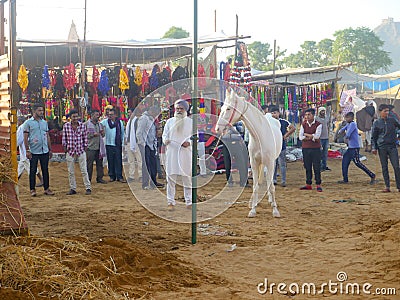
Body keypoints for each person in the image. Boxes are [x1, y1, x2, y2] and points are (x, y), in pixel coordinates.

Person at [162, 100, 193, 208]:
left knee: (187, 178)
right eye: (177, 108)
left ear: (186, 110)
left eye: (181, 109)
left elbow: (196, 138)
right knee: (170, 178)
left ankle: (189, 201)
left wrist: (189, 143)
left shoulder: (191, 122)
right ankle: (170, 201)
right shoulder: (169, 122)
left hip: (185, 153)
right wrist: (165, 140)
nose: (179, 110)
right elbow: (164, 135)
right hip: (172, 152)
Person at [23, 103, 54, 196]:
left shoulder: (44, 122)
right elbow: (25, 137)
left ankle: (46, 188)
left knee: (45, 169)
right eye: (39, 110)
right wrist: (27, 150)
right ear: (34, 111)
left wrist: (50, 149)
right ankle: (32, 189)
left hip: (44, 149)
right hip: (33, 150)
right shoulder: (28, 123)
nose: (41, 112)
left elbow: (47, 135)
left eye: (42, 110)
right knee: (32, 170)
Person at [337, 112, 377, 184]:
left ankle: (372, 175)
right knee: (345, 162)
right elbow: (342, 129)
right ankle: (345, 179)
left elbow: (348, 134)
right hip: (350, 148)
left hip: (354, 147)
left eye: (347, 118)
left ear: (351, 118)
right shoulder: (349, 124)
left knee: (357, 163)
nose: (346, 119)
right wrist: (340, 132)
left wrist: (344, 137)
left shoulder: (352, 124)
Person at [371, 103, 400, 192]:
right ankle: (387, 186)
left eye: (388, 111)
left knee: (396, 166)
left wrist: (398, 135)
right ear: (380, 112)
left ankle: (399, 186)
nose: (387, 113)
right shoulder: (377, 123)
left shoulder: (392, 120)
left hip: (392, 146)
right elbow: (374, 137)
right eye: (385, 111)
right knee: (384, 167)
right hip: (382, 147)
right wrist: (374, 147)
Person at [62, 109, 92, 195]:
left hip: (80, 150)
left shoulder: (82, 126)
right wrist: (65, 148)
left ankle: (88, 187)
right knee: (70, 171)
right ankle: (72, 188)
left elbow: (85, 137)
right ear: (70, 117)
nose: (75, 118)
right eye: (73, 116)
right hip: (70, 150)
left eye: (76, 116)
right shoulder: (66, 126)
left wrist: (85, 147)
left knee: (84, 170)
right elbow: (64, 138)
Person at [137, 106, 164, 190]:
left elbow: (153, 133)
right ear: (151, 111)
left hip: (151, 145)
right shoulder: (144, 118)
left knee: (153, 164)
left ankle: (153, 182)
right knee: (146, 165)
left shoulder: (151, 119)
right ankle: (145, 184)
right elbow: (139, 133)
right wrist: (142, 144)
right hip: (145, 145)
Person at [269, 106, 295, 187]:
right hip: (272, 146)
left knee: (282, 164)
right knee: (273, 164)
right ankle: (274, 180)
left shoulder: (283, 122)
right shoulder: (269, 122)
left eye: (275, 113)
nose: (273, 115)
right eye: (272, 113)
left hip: (282, 146)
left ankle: (283, 180)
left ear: (278, 113)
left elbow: (293, 128)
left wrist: (286, 135)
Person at [299, 108, 323, 192]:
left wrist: (306, 135)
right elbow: (300, 137)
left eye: (309, 115)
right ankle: (308, 183)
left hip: (315, 148)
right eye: (306, 115)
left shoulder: (318, 124)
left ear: (313, 115)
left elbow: (317, 136)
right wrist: (311, 136)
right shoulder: (303, 124)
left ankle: (318, 184)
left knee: (317, 167)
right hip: (306, 148)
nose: (307, 116)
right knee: (307, 166)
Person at [101, 108, 126, 183]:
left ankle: (119, 176)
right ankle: (112, 176)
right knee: (110, 160)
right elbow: (99, 125)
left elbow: (122, 133)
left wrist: (122, 143)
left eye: (111, 114)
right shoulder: (105, 122)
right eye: (109, 115)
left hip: (117, 144)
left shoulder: (120, 122)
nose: (110, 116)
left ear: (115, 115)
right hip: (109, 144)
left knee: (118, 160)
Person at [17, 116, 43, 186]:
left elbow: (19, 140)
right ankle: (14, 181)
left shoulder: (21, 128)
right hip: (28, 150)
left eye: (18, 121)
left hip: (25, 151)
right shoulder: (28, 126)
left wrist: (14, 146)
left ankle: (41, 180)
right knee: (20, 168)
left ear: (20, 121)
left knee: (31, 168)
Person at [85, 109, 107, 184]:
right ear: (92, 115)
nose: (98, 117)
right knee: (89, 164)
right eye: (96, 115)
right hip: (90, 147)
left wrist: (103, 133)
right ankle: (88, 179)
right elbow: (84, 135)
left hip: (99, 147)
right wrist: (92, 134)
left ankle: (100, 178)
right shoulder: (86, 124)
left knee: (99, 164)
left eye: (98, 115)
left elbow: (103, 135)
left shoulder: (100, 125)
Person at [125, 108, 142, 182]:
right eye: (128, 113)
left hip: (136, 142)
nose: (129, 114)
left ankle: (141, 175)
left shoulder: (137, 120)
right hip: (129, 142)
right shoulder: (129, 122)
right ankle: (131, 175)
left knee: (139, 160)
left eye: (130, 113)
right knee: (131, 160)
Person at [316, 106, 331, 171]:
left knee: (325, 153)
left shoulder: (327, 118)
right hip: (320, 138)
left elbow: (328, 126)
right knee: (320, 153)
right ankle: (319, 166)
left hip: (326, 138)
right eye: (322, 111)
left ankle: (324, 166)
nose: (323, 112)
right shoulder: (316, 119)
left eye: (324, 111)